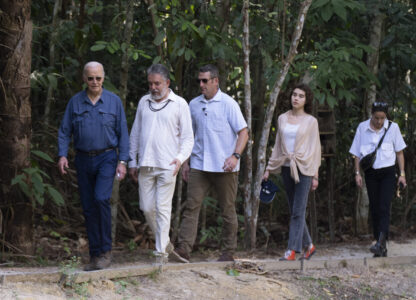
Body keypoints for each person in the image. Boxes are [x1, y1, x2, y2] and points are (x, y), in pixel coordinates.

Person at [171, 64, 248, 263]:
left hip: (225, 166)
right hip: (198, 164)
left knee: (227, 209)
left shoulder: (228, 104)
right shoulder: (193, 104)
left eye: (205, 80)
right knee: (192, 207)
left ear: (216, 81)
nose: (201, 84)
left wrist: (235, 156)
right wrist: (185, 162)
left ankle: (228, 251)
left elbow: (243, 132)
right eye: (199, 80)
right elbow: (188, 136)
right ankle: (184, 249)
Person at [58, 61, 129, 271]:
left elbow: (123, 133)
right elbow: (64, 131)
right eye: (90, 78)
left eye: (98, 78)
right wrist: (62, 155)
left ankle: (106, 251)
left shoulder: (114, 102)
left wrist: (123, 161)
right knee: (88, 208)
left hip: (107, 158)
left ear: (103, 78)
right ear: (84, 79)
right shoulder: (75, 102)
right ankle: (95, 254)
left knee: (101, 199)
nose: (95, 82)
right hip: (82, 159)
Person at [128, 64, 194, 263]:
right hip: (145, 164)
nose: (153, 87)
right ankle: (165, 242)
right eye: (150, 83)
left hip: (168, 164)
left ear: (167, 83)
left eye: (157, 83)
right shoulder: (143, 102)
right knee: (147, 208)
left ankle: (160, 255)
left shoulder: (180, 103)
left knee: (163, 208)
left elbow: (188, 138)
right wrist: (132, 160)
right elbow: (135, 133)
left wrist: (181, 159)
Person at [263, 83, 321, 261]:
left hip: (304, 168)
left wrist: (315, 175)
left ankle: (292, 250)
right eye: (294, 94)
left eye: (301, 96)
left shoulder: (311, 121)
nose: (296, 98)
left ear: (306, 100)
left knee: (298, 210)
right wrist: (269, 167)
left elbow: (316, 148)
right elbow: (278, 145)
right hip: (287, 166)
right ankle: (309, 246)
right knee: (294, 209)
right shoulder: (282, 118)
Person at [350, 102, 406, 257]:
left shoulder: (393, 128)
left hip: (388, 172)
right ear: (371, 115)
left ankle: (381, 242)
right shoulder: (362, 127)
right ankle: (380, 244)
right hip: (371, 173)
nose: (379, 121)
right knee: (374, 208)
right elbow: (356, 154)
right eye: (376, 118)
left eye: (382, 118)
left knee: (384, 206)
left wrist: (402, 174)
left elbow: (400, 153)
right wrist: (357, 173)